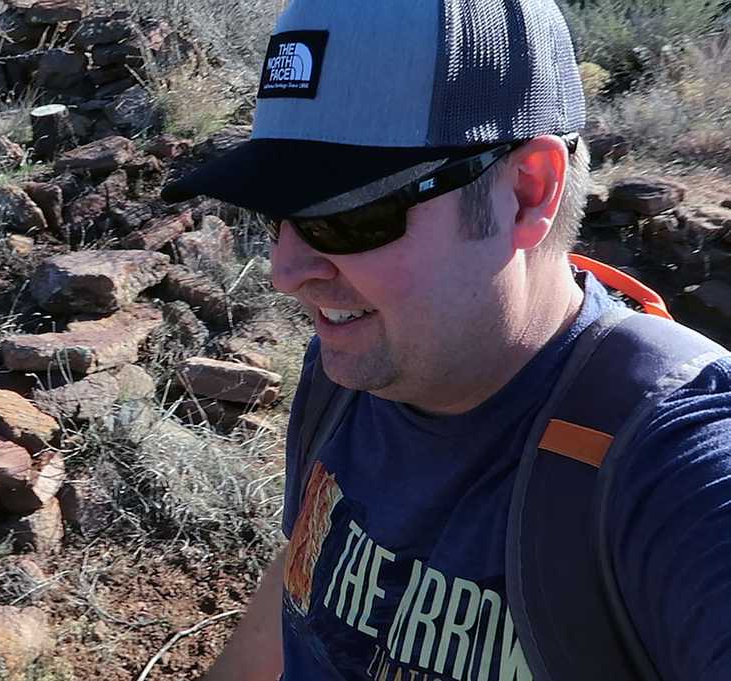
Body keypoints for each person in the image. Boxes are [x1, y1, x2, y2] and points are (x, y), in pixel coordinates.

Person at [160, 1, 731, 680]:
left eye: (348, 215)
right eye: (278, 212)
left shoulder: (670, 464)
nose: (286, 273)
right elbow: (299, 591)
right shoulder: (351, 376)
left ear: (526, 191)